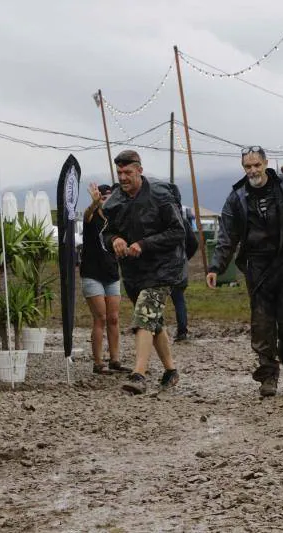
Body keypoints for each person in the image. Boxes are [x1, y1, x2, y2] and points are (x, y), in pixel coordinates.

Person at [207, 146, 283, 398]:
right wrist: (216, 266)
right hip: (257, 266)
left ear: (265, 164)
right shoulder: (237, 196)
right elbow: (227, 236)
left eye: (256, 165)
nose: (252, 171)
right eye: (248, 167)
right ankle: (268, 374)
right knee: (262, 324)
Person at [102, 150, 185, 394]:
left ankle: (138, 375)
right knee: (153, 322)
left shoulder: (161, 194)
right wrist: (114, 239)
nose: (123, 177)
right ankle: (171, 371)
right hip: (134, 272)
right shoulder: (115, 201)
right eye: (119, 173)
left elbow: (177, 231)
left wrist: (144, 244)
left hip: (164, 268)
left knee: (143, 317)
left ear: (140, 169)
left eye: (128, 172)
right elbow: (105, 233)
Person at [81, 182, 125, 375]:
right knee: (100, 317)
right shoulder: (91, 217)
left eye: (109, 197)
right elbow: (86, 215)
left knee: (114, 318)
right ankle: (98, 362)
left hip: (112, 273)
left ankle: (115, 359)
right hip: (92, 273)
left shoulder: (116, 219)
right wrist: (94, 203)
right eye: (104, 197)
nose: (107, 201)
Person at [171, 207, 199, 342]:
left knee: (157, 299)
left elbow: (193, 243)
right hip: (179, 267)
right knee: (179, 300)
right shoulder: (182, 221)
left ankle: (153, 331)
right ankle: (182, 331)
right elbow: (194, 243)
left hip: (163, 268)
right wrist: (185, 257)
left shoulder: (156, 219)